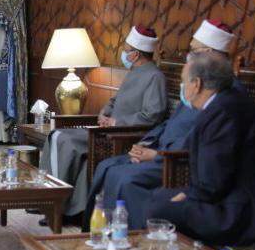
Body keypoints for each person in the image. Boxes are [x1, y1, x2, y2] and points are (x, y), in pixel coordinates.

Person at [83, 19, 238, 230]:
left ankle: (130, 236)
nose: (189, 56)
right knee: (107, 167)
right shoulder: (200, 86)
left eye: (193, 51)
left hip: (176, 160)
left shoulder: (220, 93)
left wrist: (157, 155)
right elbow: (169, 123)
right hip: (162, 150)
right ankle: (101, 231)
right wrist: (146, 144)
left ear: (208, 53)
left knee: (124, 177)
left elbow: (200, 141)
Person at [146, 51, 255, 246]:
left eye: (183, 81)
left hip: (240, 209)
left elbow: (215, 177)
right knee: (159, 197)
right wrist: (190, 193)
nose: (182, 87)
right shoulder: (226, 103)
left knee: (160, 208)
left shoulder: (223, 112)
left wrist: (190, 195)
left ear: (196, 84)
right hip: (226, 196)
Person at [40, 25, 168, 220]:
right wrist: (104, 113)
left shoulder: (155, 76)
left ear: (135, 55)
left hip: (123, 135)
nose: (124, 53)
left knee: (62, 138)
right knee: (55, 135)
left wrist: (116, 121)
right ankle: (50, 201)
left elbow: (152, 115)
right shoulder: (133, 71)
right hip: (106, 129)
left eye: (126, 50)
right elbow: (115, 100)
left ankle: (56, 205)